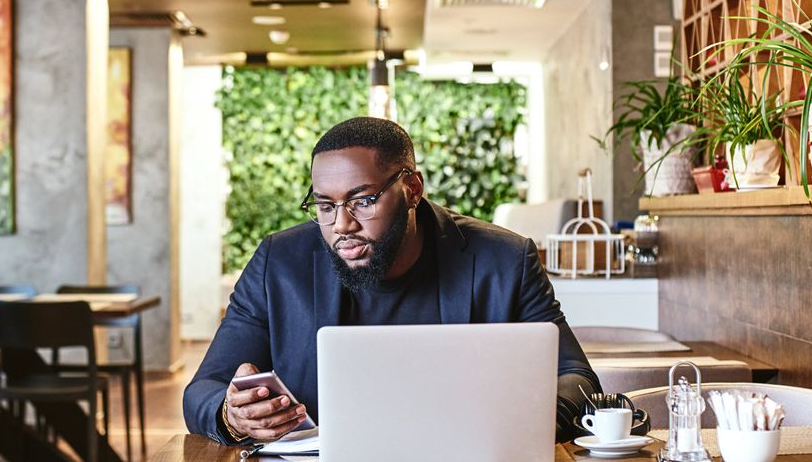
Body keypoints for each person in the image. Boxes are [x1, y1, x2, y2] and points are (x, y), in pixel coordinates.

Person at [184, 116, 601, 445]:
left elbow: (578, 380)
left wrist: (513, 422)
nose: (341, 224)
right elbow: (203, 389)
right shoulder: (279, 262)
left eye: (362, 200)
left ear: (412, 188)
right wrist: (232, 414)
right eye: (325, 205)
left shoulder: (505, 260)